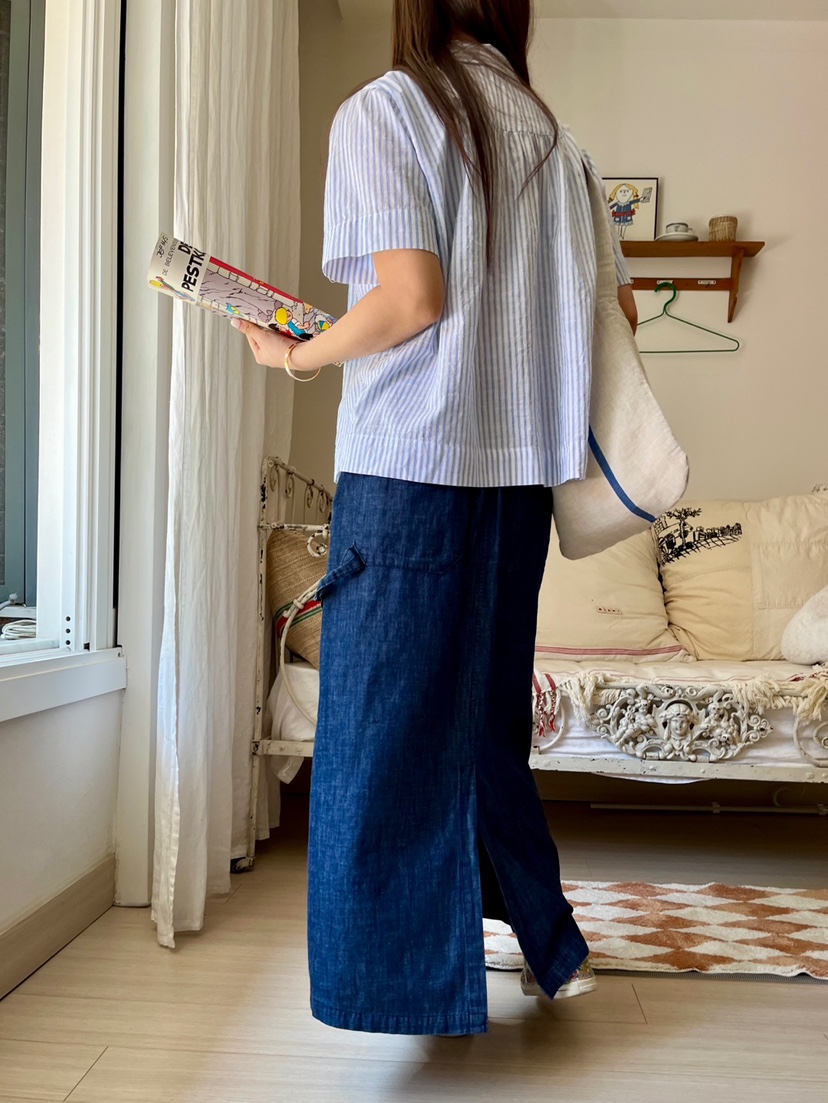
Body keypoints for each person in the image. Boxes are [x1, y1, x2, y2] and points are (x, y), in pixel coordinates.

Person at [232, 0, 637, 1037]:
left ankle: (401, 991)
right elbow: (621, 315)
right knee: (480, 724)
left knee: (382, 735)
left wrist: (300, 353)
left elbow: (410, 298)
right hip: (520, 480)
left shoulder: (390, 110)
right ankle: (552, 946)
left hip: (412, 468)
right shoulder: (559, 143)